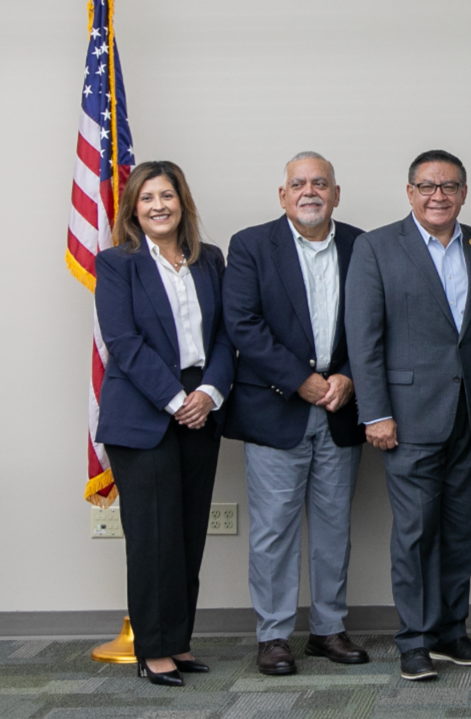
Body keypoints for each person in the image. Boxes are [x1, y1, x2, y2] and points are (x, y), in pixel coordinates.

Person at [345, 150, 471, 682]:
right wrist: (375, 413)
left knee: (462, 529)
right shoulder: (376, 247)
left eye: (450, 186)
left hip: (469, 416)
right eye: (428, 186)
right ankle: (413, 639)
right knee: (414, 532)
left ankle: (450, 632)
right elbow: (363, 340)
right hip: (406, 418)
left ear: (463, 192)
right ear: (409, 192)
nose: (439, 195)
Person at [223, 151, 368, 677]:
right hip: (276, 408)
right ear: (282, 195)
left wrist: (348, 374)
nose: (310, 192)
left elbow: (377, 322)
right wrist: (300, 380)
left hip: (340, 407)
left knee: (334, 529)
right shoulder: (251, 245)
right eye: (299, 184)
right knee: (272, 530)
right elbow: (242, 323)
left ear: (335, 193)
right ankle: (274, 636)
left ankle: (328, 630)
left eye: (320, 183)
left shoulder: (361, 245)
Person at [95, 160, 234, 687]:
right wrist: (177, 399)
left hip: (203, 405)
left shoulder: (210, 260)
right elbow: (124, 343)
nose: (158, 205)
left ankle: (177, 642)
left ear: (183, 203)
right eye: (147, 197)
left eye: (167, 196)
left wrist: (208, 393)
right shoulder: (116, 264)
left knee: (187, 534)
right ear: (133, 207)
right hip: (144, 414)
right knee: (153, 538)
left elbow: (226, 334)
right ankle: (151, 650)